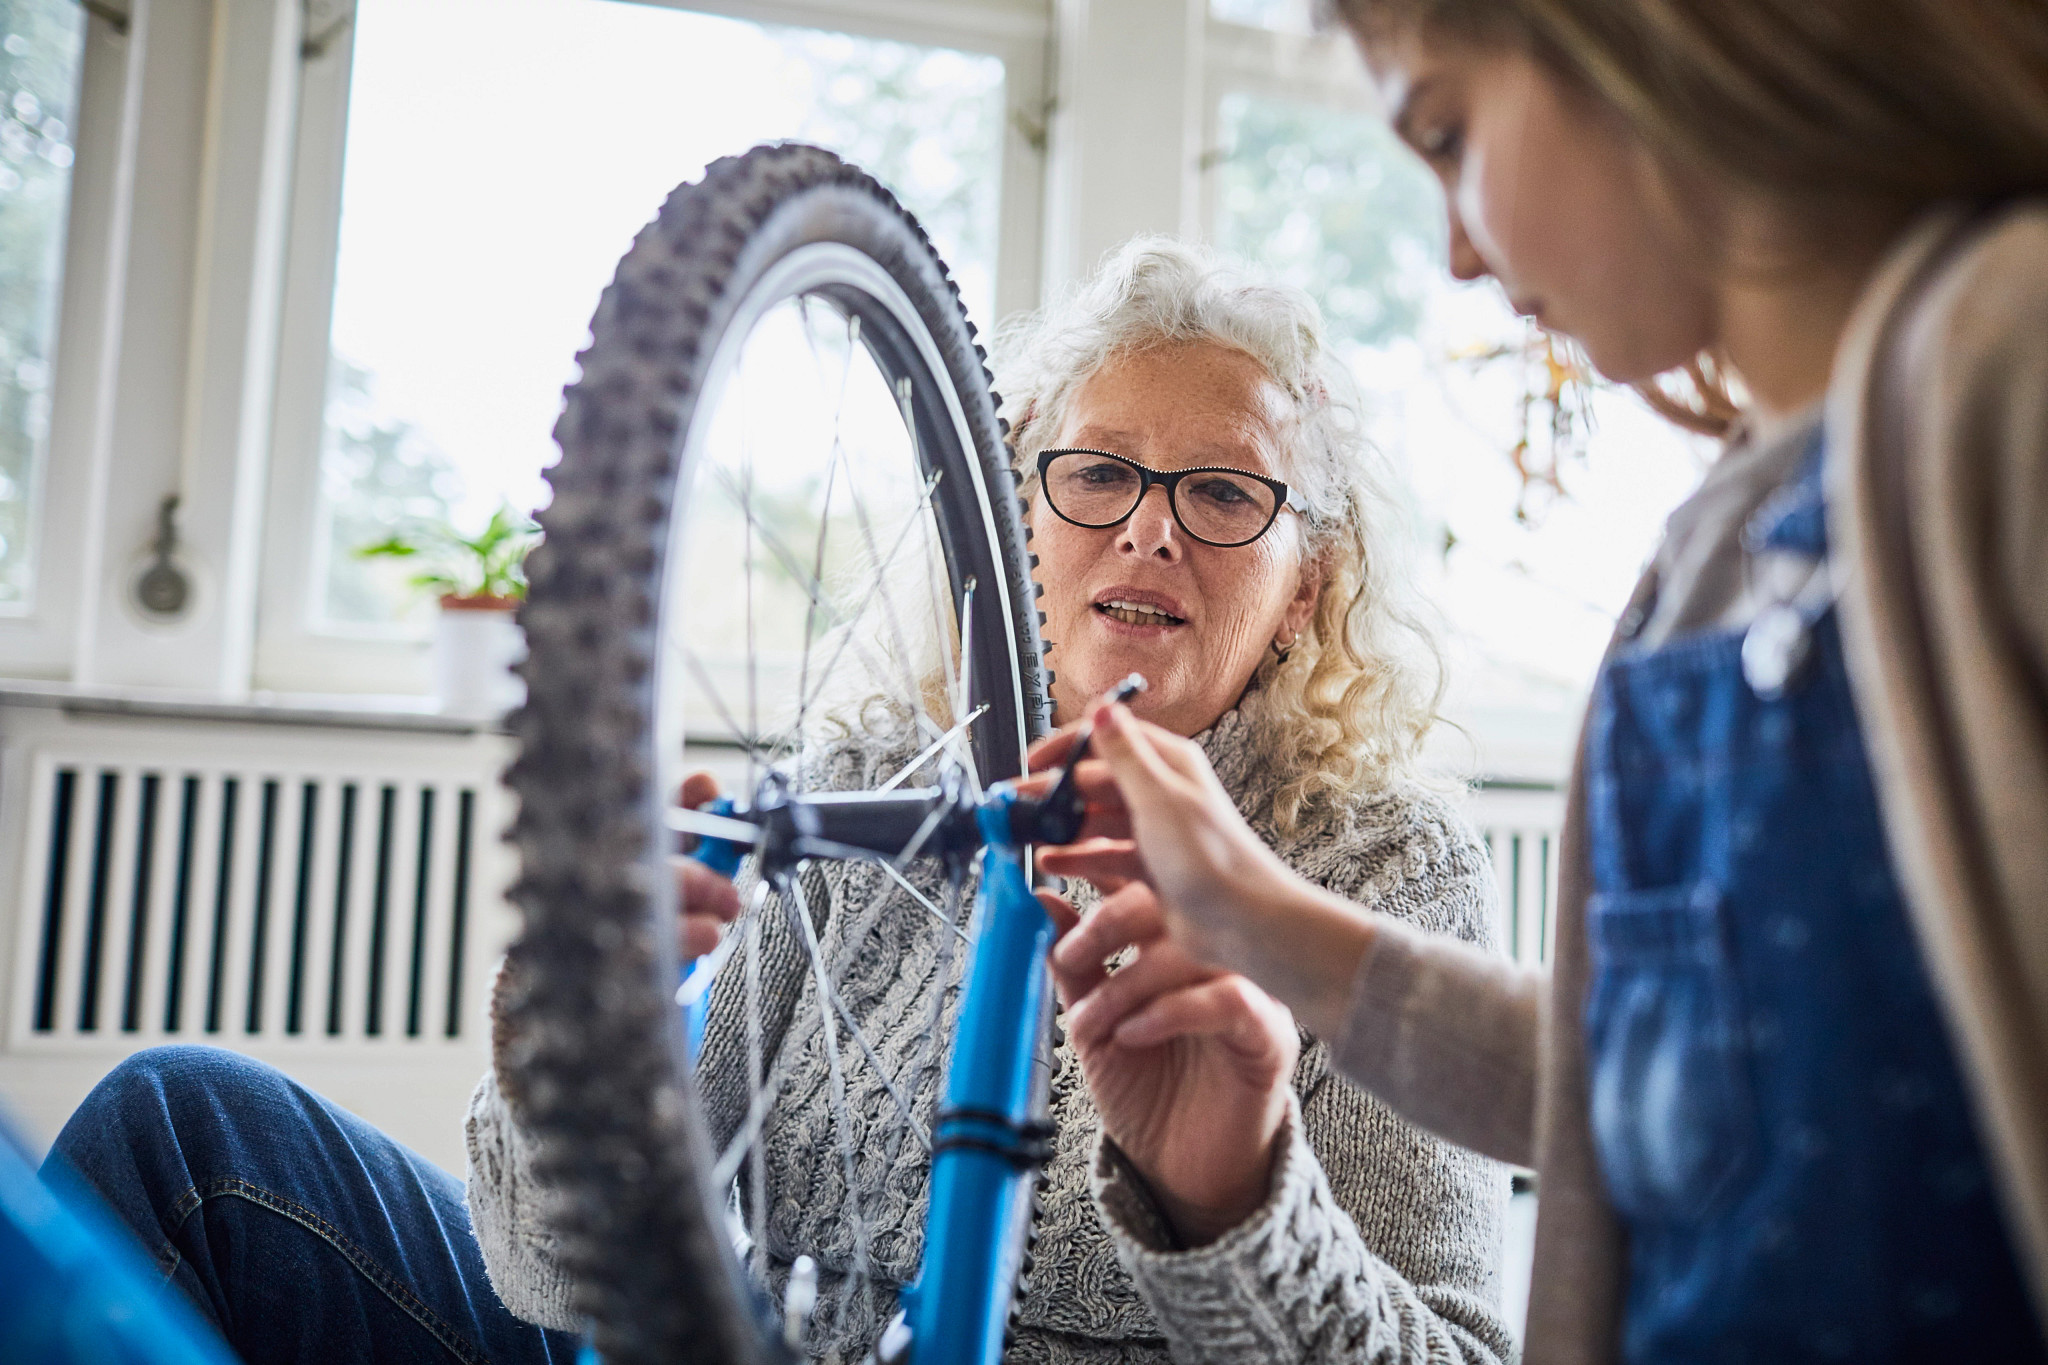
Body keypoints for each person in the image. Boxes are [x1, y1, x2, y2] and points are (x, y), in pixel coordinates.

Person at [44, 240, 1515, 1364]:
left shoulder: (1374, 862)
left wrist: (1241, 1195)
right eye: (1101, 473)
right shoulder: (869, 789)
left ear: (1305, 579)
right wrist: (577, 1055)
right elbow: (554, 1275)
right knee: (177, 1129)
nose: (1147, 523)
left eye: (1222, 493)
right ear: (1015, 517)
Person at [1041, 3, 2048, 1362]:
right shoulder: (1709, 552)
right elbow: (1637, 1075)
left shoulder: (2012, 350)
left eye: (1449, 134)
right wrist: (1259, 916)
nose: (1458, 251)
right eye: (1099, 473)